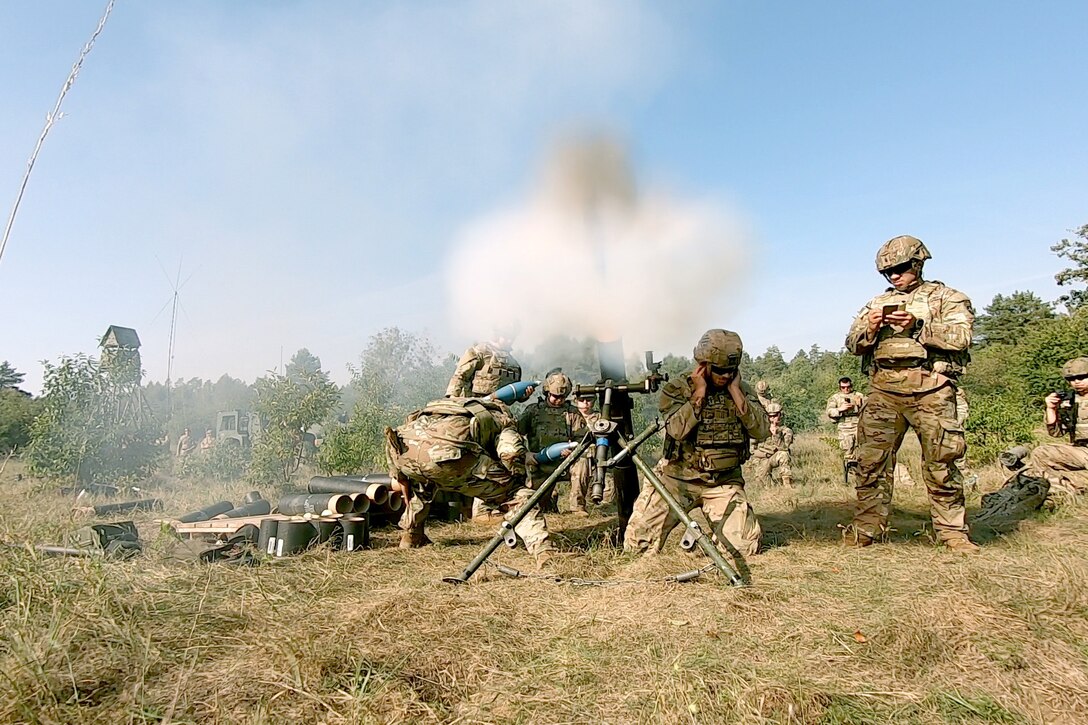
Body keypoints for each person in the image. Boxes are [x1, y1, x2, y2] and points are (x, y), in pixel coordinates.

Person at [844, 235, 976, 552]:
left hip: (931, 387)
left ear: (918, 263)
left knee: (941, 463)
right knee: (871, 463)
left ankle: (952, 532)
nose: (894, 276)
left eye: (900, 269)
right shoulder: (875, 304)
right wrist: (871, 329)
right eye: (887, 272)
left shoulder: (947, 298)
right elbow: (852, 344)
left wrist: (918, 326)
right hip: (884, 390)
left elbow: (962, 337)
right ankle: (867, 530)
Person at [625, 329, 770, 559]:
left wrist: (736, 393)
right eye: (720, 370)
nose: (725, 376)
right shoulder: (679, 388)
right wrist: (699, 394)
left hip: (723, 483)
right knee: (638, 546)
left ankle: (698, 544)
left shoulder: (741, 390)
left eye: (730, 371)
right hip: (676, 479)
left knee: (744, 548)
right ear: (704, 364)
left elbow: (762, 430)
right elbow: (676, 430)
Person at [385, 388, 554, 564]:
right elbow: (511, 453)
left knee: (422, 487)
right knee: (518, 496)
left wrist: (407, 492)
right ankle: (544, 552)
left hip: (406, 454)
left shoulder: (444, 409)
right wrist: (515, 479)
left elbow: (401, 476)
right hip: (451, 458)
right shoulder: (501, 417)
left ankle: (411, 536)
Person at [445, 333, 523, 520]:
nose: (511, 337)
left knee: (509, 455)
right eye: (508, 331)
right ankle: (481, 510)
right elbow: (459, 378)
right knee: (482, 458)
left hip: (501, 415)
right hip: (478, 412)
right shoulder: (478, 351)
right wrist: (453, 405)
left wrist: (523, 395)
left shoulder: (514, 363)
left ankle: (500, 503)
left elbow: (513, 394)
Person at [826, 377, 916, 489]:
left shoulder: (858, 395)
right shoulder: (835, 398)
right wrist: (840, 409)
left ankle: (873, 479)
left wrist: (860, 405)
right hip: (845, 429)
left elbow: (871, 409)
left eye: (848, 387)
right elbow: (829, 412)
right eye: (843, 387)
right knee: (849, 457)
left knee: (868, 454)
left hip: (860, 426)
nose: (846, 389)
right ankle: (855, 480)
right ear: (839, 387)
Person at [518, 370, 583, 514]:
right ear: (547, 392)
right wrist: (527, 454)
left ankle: (577, 508)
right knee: (539, 507)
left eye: (562, 397)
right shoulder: (533, 411)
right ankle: (549, 501)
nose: (558, 400)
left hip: (565, 463)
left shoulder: (572, 413)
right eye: (555, 396)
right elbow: (516, 435)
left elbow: (582, 439)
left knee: (583, 463)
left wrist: (572, 452)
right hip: (538, 464)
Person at [1024, 357, 1088, 501]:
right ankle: (1062, 493)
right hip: (1082, 450)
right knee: (1041, 454)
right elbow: (1056, 433)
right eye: (1071, 379)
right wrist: (1051, 409)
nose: (1076, 382)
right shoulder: (1070, 401)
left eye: (1082, 377)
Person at [568, 391, 614, 512]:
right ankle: (577, 507)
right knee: (580, 470)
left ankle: (601, 511)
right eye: (581, 400)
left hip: (597, 458)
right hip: (574, 458)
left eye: (589, 400)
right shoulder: (569, 416)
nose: (585, 403)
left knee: (609, 490)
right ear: (575, 400)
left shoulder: (600, 418)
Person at [749, 402, 794, 486]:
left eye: (775, 415)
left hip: (775, 456)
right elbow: (752, 447)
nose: (772, 418)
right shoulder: (761, 429)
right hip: (762, 459)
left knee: (783, 455)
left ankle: (787, 483)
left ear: (780, 415)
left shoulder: (786, 431)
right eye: (770, 416)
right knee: (764, 485)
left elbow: (784, 448)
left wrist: (776, 435)